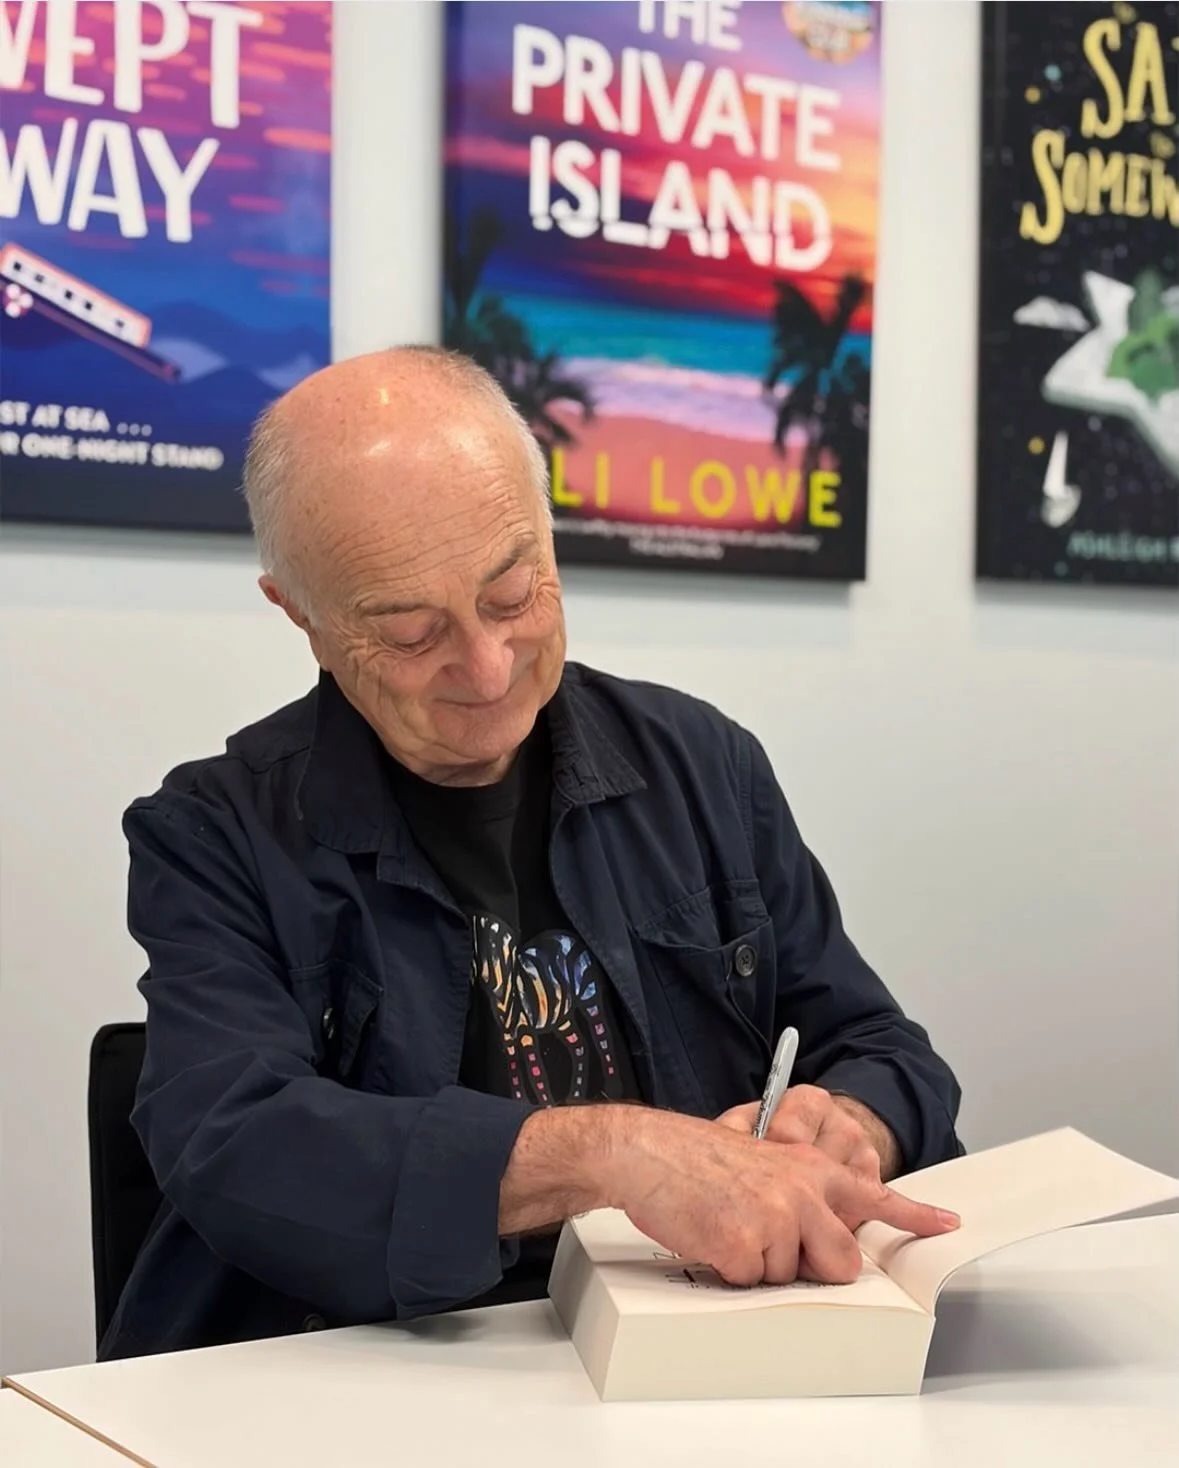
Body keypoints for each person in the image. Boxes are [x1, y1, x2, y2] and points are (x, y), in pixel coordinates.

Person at [101, 347, 963, 1362]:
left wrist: (850, 1120)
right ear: (304, 618)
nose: (487, 665)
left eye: (514, 596)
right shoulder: (213, 831)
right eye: (414, 632)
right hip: (372, 1367)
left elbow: (887, 1048)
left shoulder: (702, 764)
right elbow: (237, 1145)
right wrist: (610, 1153)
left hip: (684, 1359)